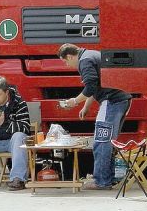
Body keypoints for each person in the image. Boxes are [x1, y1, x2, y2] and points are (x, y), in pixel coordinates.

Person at [57, 43, 132, 190]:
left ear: (71, 56)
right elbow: (96, 85)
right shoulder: (91, 54)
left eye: (65, 61)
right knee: (109, 142)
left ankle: (101, 181)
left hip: (111, 101)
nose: (66, 65)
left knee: (101, 142)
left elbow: (90, 86)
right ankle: (107, 179)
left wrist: (74, 102)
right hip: (121, 99)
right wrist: (86, 106)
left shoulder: (84, 61)